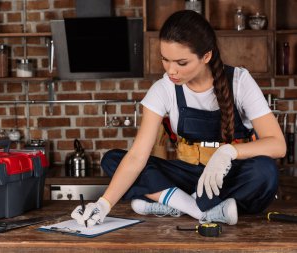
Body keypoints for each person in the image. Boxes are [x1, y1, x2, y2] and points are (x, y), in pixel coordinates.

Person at [71, 10, 286, 227]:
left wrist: (229, 152)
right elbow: (137, 157)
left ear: (206, 56)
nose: (171, 70)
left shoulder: (239, 81)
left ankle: (171, 202)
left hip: (227, 178)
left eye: (181, 63)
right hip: (187, 178)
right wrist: (103, 204)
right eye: (165, 59)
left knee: (264, 171)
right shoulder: (163, 89)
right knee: (113, 159)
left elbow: (277, 145)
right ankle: (199, 211)